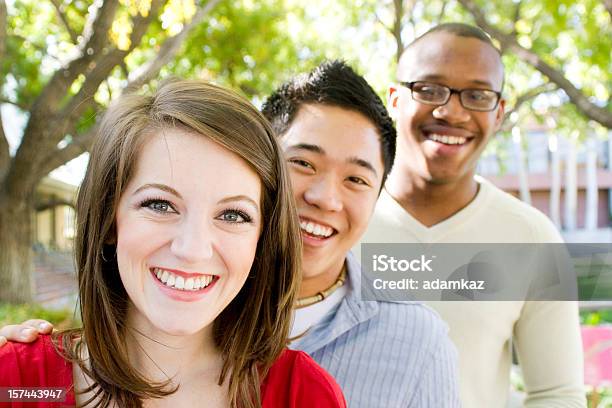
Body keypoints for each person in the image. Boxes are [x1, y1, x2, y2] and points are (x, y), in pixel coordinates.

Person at [0, 62, 460, 407]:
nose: (193, 249)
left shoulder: (305, 392)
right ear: (108, 220)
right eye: (160, 205)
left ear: (264, 234)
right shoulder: (21, 379)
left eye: (234, 215)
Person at [355, 23, 586, 407]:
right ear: (395, 99)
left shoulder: (531, 237)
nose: (451, 111)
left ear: (498, 113)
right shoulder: (335, 223)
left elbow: (557, 394)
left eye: (477, 95)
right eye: (429, 89)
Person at [263, 60, 460, 407]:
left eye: (356, 179)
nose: (324, 198)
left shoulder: (417, 342)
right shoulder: (187, 298)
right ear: (259, 163)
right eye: (304, 163)